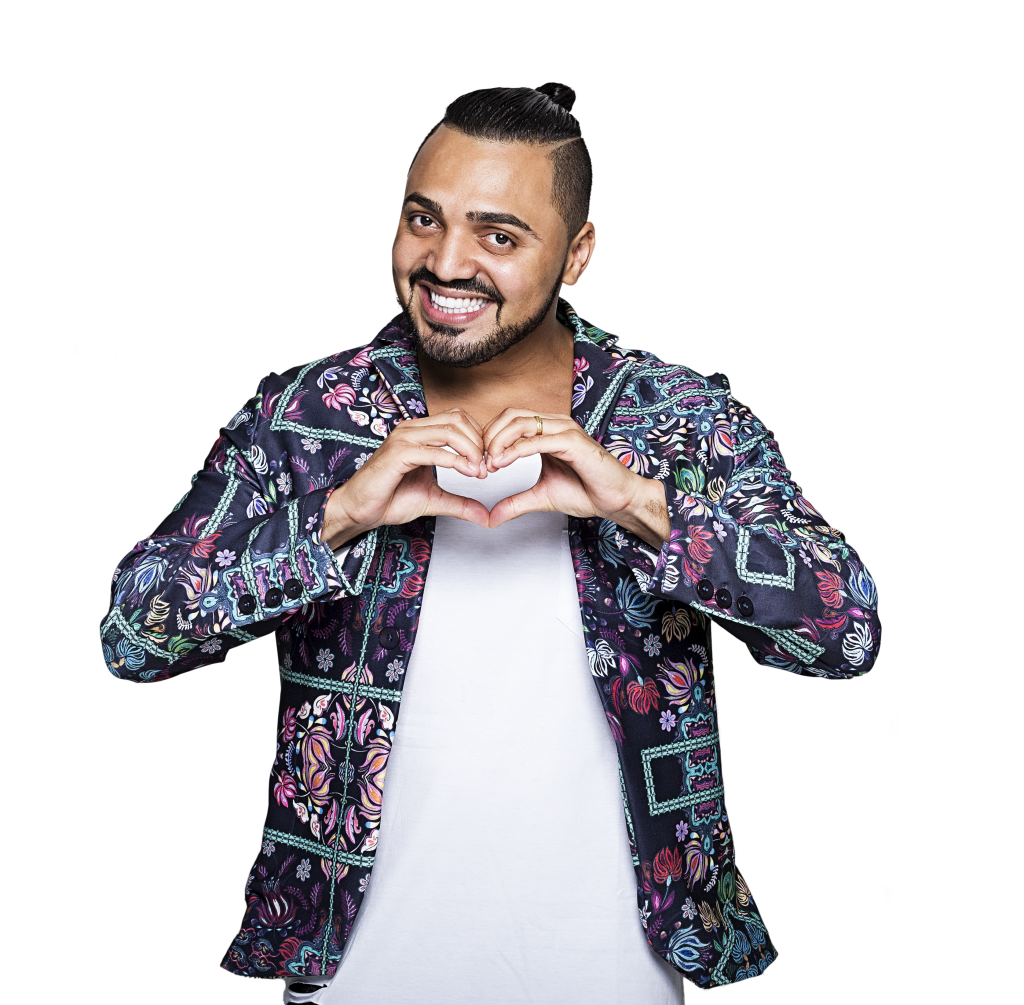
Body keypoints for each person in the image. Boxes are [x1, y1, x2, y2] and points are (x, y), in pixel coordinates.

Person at [100, 83, 881, 1001]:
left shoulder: (678, 419)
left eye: (499, 236)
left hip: (617, 974)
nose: (446, 262)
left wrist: (642, 506)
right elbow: (135, 634)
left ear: (576, 252)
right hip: (361, 978)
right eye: (423, 219)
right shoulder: (306, 417)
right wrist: (336, 516)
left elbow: (845, 631)